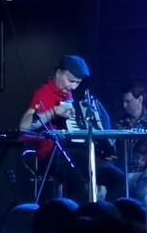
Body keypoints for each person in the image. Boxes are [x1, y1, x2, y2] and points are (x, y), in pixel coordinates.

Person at [18, 55, 92, 201]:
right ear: (58, 73)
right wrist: (53, 112)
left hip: (72, 151)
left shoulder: (68, 95)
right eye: (70, 81)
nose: (73, 87)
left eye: (77, 83)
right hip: (51, 155)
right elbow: (24, 125)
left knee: (113, 177)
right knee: (82, 190)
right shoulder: (43, 93)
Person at [110, 83, 147, 218]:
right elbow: (114, 150)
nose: (124, 105)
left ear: (140, 99)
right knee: (112, 185)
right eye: (123, 101)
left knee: (144, 185)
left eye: (128, 101)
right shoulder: (119, 123)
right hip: (125, 173)